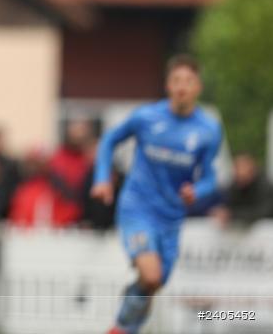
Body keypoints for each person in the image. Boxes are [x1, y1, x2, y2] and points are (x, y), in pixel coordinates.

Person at [91, 54, 222, 334]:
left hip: (172, 216)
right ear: (168, 85)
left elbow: (211, 177)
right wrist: (103, 178)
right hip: (137, 207)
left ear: (198, 87)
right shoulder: (146, 117)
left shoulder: (209, 130)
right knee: (150, 276)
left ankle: (125, 326)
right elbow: (110, 140)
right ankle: (120, 330)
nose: (182, 86)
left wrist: (197, 190)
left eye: (188, 81)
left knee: (154, 282)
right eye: (176, 80)